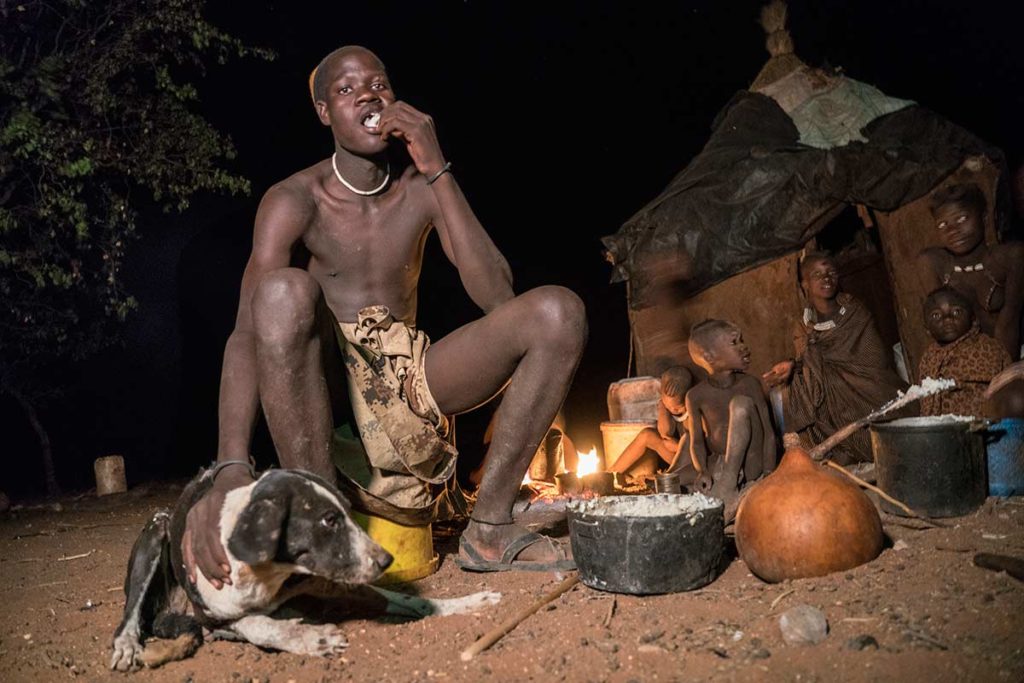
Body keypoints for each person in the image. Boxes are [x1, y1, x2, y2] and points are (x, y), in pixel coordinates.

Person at [182, 45, 587, 581]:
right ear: (325, 113)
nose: (368, 94)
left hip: (408, 374)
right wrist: (231, 461)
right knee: (281, 293)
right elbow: (244, 333)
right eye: (346, 89)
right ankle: (320, 525)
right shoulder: (295, 198)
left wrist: (436, 165)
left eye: (378, 83)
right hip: (328, 376)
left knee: (558, 312)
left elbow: (497, 297)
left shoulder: (421, 186)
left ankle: (490, 527)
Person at [763, 252, 906, 464]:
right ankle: (837, 447)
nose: (826, 278)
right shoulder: (803, 325)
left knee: (840, 383)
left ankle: (861, 446)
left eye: (831, 272)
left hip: (865, 385)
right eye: (817, 274)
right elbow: (806, 359)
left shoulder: (854, 311)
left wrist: (822, 364)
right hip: (827, 392)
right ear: (805, 284)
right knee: (798, 386)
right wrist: (793, 365)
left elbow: (874, 357)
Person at [917, 183, 1023, 360]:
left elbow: (1009, 322)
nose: (953, 231)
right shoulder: (934, 263)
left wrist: (1002, 375)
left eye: (962, 219)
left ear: (984, 218)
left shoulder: (1010, 257)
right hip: (965, 362)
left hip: (1012, 356)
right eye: (943, 225)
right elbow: (940, 331)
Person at [685, 320, 777, 515]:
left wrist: (769, 474)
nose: (744, 347)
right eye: (734, 343)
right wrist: (702, 470)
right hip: (721, 463)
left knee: (740, 404)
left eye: (741, 340)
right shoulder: (696, 395)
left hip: (753, 465)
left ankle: (728, 482)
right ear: (709, 357)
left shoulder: (750, 384)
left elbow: (769, 434)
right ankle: (727, 482)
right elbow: (697, 443)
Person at [918, 286, 1011, 418]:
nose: (947, 319)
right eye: (936, 315)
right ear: (927, 329)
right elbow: (925, 397)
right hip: (938, 429)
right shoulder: (928, 356)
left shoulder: (986, 348)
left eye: (956, 312)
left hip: (980, 424)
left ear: (973, 319)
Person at [607, 366, 692, 477]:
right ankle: (611, 473)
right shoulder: (668, 406)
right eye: (669, 406)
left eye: (678, 407)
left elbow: (697, 447)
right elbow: (665, 433)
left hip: (689, 461)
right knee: (647, 434)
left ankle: (675, 474)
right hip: (675, 452)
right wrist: (663, 407)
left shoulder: (692, 413)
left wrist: (678, 447)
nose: (674, 410)